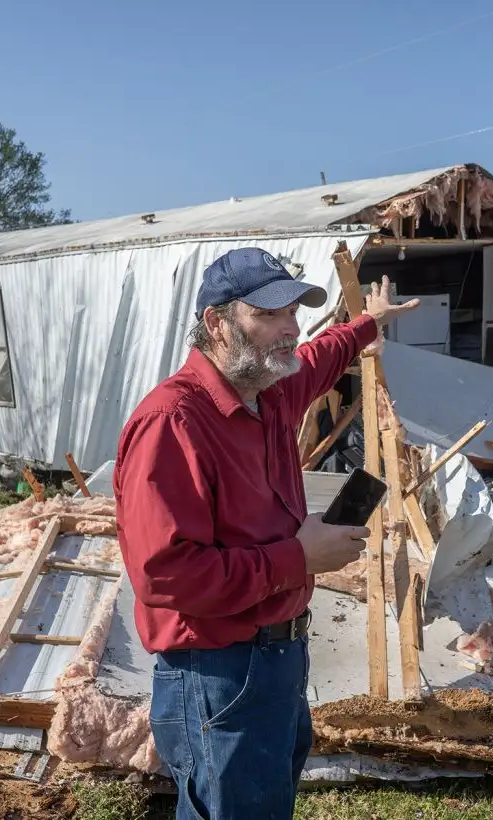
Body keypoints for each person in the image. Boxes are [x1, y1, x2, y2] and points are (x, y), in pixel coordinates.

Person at [113, 247, 418, 820]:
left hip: (277, 655)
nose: (289, 329)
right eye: (269, 315)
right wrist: (298, 558)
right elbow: (166, 576)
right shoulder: (173, 423)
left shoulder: (270, 393)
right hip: (216, 671)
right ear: (216, 323)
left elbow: (321, 355)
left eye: (293, 313)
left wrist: (368, 325)